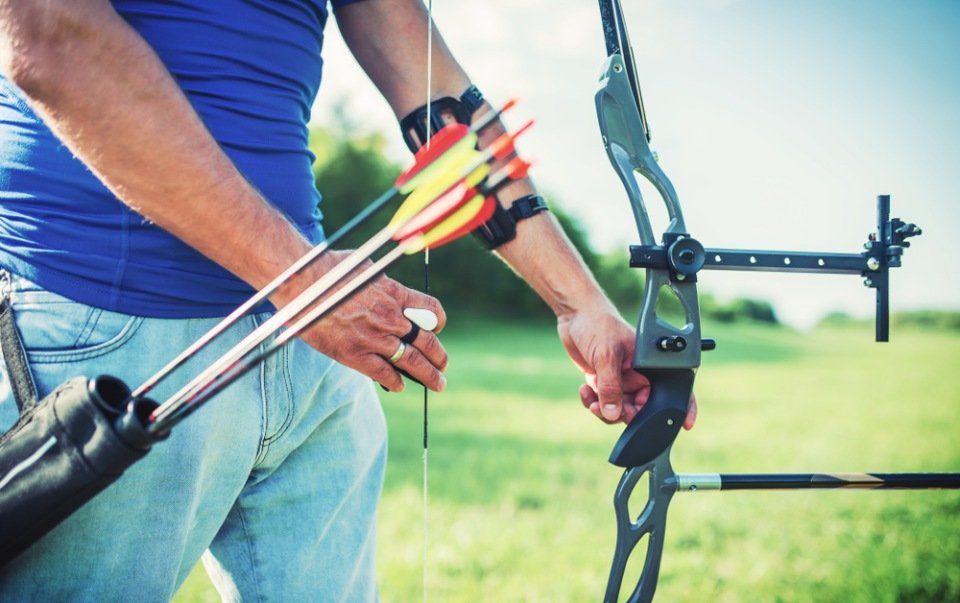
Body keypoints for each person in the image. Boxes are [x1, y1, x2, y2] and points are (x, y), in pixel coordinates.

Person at [0, 1, 694, 599]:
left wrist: (581, 304)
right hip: (108, 330)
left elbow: (444, 107)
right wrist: (305, 283)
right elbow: (50, 37)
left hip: (313, 353)